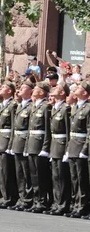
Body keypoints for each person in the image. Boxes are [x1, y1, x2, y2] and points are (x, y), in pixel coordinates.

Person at [23, 81, 53, 213]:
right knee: (33, 175)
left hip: (40, 144)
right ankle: (36, 201)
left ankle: (42, 201)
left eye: (36, 88)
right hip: (32, 144)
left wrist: (45, 148)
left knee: (41, 175)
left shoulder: (46, 107)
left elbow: (48, 129)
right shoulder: (34, 106)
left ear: (41, 92)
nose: (33, 90)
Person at [45, 84, 71, 216]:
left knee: (62, 177)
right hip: (55, 145)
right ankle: (56, 203)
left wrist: (67, 149)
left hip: (61, 145)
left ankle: (63, 204)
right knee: (55, 176)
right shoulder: (55, 108)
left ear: (62, 93)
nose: (52, 90)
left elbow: (68, 132)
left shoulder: (66, 109)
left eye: (56, 89)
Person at [9, 79, 35, 211]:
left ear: (31, 91)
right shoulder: (19, 105)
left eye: (24, 88)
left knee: (26, 173)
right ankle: (21, 197)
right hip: (17, 141)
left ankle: (28, 198)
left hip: (25, 141)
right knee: (19, 173)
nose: (20, 90)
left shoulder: (31, 106)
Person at [66, 81, 90, 218]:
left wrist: (85, 150)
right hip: (73, 145)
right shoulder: (75, 107)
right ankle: (76, 205)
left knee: (82, 179)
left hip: (81, 145)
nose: (76, 89)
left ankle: (83, 206)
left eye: (79, 88)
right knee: (74, 178)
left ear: (85, 93)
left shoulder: (88, 108)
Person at [0, 81, 18, 209]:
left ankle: (9, 197)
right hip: (1, 140)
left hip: (7, 140)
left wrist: (11, 143)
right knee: (2, 171)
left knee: (7, 172)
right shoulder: (4, 105)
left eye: (4, 87)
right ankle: (4, 196)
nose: (1, 88)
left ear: (10, 91)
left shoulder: (13, 105)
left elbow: (13, 126)